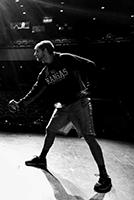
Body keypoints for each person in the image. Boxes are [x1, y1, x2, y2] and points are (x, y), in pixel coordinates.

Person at [8, 40, 112, 193]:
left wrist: (89, 89)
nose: (35, 54)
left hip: (78, 104)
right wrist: (20, 104)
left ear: (45, 50)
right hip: (63, 107)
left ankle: (104, 176)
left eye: (37, 51)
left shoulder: (66, 59)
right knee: (50, 130)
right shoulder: (44, 73)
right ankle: (42, 159)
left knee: (89, 137)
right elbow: (35, 91)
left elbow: (91, 65)